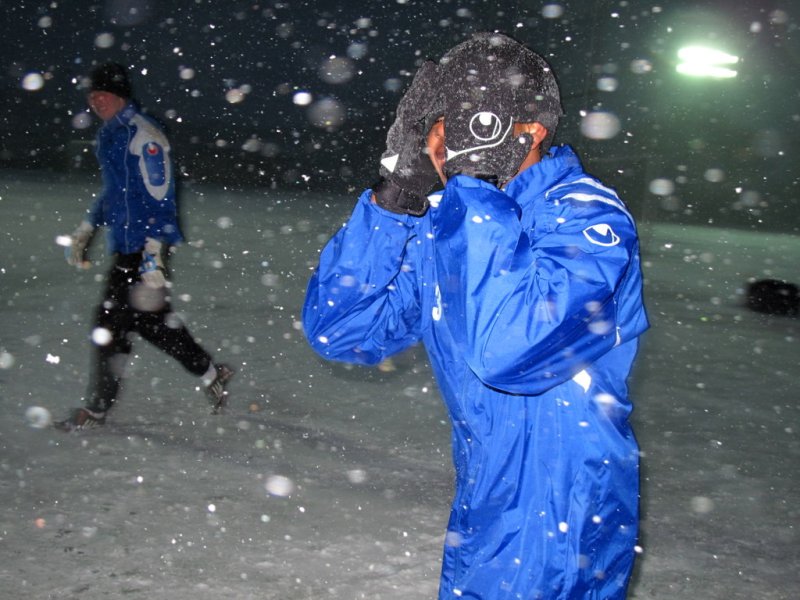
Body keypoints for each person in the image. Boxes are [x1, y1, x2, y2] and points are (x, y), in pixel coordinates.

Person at [303, 33, 649, 599]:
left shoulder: (585, 216)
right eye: (439, 123)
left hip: (558, 503)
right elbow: (342, 331)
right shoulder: (458, 224)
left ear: (527, 129)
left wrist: (478, 187)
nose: (442, 142)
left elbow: (509, 351)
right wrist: (395, 200)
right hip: (486, 495)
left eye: (465, 122)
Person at [56, 63, 233, 431]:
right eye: (92, 96)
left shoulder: (144, 135)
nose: (97, 101)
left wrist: (154, 252)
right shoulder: (110, 135)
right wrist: (88, 227)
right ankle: (211, 373)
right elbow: (115, 193)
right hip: (126, 246)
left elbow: (161, 197)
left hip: (143, 249)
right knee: (150, 324)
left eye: (103, 95)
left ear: (120, 96)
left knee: (109, 326)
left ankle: (99, 410)